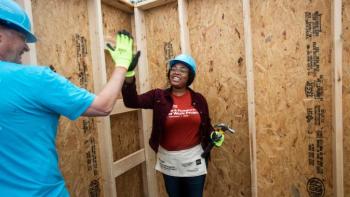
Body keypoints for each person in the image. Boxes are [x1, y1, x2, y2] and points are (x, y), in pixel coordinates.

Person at [0, 0, 139, 196]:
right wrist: (123, 65)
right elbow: (103, 106)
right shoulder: (36, 79)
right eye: (22, 37)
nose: (27, 47)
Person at [122, 53, 221, 197]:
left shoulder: (199, 99)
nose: (176, 72)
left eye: (182, 70)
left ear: (190, 76)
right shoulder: (158, 96)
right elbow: (131, 102)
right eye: (174, 68)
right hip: (168, 159)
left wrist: (214, 135)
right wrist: (129, 74)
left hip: (194, 159)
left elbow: (206, 125)